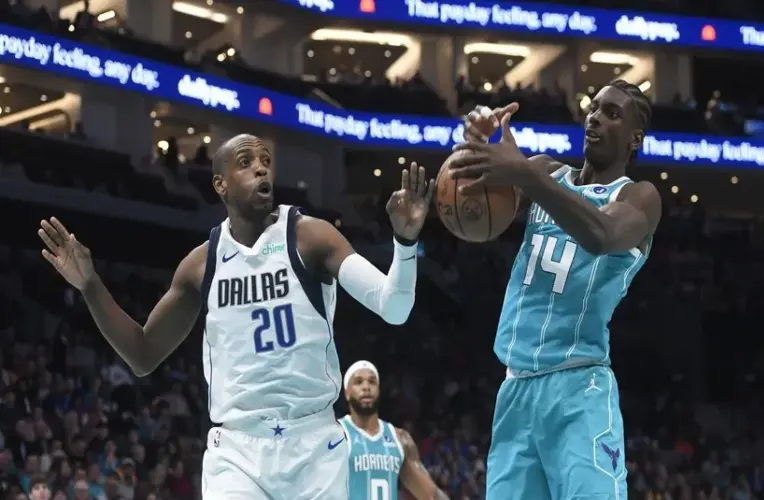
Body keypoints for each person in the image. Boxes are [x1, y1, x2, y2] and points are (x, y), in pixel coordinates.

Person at [37, 134, 435, 500]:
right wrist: (90, 286)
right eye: (245, 162)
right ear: (220, 184)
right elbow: (143, 354)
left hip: (315, 447)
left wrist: (404, 243)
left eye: (265, 160)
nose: (261, 167)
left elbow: (393, 307)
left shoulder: (311, 237)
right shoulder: (200, 264)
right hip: (238, 454)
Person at [454, 80, 662, 500]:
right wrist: (472, 146)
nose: (596, 118)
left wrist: (525, 175)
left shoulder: (640, 197)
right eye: (594, 108)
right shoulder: (548, 172)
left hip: (579, 390)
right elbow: (468, 209)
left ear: (634, 139)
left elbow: (602, 234)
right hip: (515, 389)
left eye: (612, 113)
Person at [339, 361, 448, 500]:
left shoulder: (399, 439)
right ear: (347, 393)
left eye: (372, 382)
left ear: (378, 390)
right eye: (358, 382)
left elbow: (431, 495)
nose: (366, 387)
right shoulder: (336, 435)